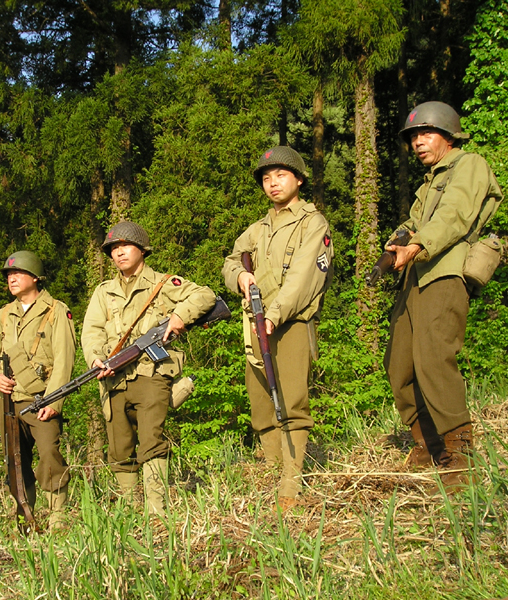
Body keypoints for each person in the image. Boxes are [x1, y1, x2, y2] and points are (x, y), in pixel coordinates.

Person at [383, 101, 502, 489]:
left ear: (449, 135)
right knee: (399, 364)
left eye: (426, 133)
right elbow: (415, 222)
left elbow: (455, 215)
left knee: (434, 356)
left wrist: (417, 245)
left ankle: (459, 452)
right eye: (413, 137)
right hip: (416, 277)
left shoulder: (469, 165)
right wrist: (397, 241)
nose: (418, 142)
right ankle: (428, 445)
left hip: (447, 271)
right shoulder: (428, 183)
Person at [222, 146, 333, 511]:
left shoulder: (313, 223)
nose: (273, 184)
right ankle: (270, 472)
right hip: (255, 322)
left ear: (298, 179)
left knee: (291, 403)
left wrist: (274, 314)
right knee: (260, 402)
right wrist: (240, 276)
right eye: (267, 178)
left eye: (281, 176)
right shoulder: (257, 229)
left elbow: (304, 277)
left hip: (291, 322)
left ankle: (290, 485)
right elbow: (230, 261)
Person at [82, 221, 216, 518]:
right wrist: (95, 359)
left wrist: (180, 316)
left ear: (142, 250)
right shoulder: (104, 292)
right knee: (119, 448)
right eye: (114, 249)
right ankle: (130, 513)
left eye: (125, 246)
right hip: (114, 377)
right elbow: (91, 331)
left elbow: (205, 295)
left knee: (152, 440)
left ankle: (156, 513)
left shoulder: (163, 283)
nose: (119, 253)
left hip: (152, 372)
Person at [0, 251, 75, 528]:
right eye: (9, 275)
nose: (12, 278)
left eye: (18, 273)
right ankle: (24, 517)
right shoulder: (4, 315)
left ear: (35, 277)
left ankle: (58, 517)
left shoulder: (55, 310)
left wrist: (54, 401)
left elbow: (64, 359)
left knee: (50, 456)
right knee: (15, 461)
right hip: (9, 402)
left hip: (42, 399)